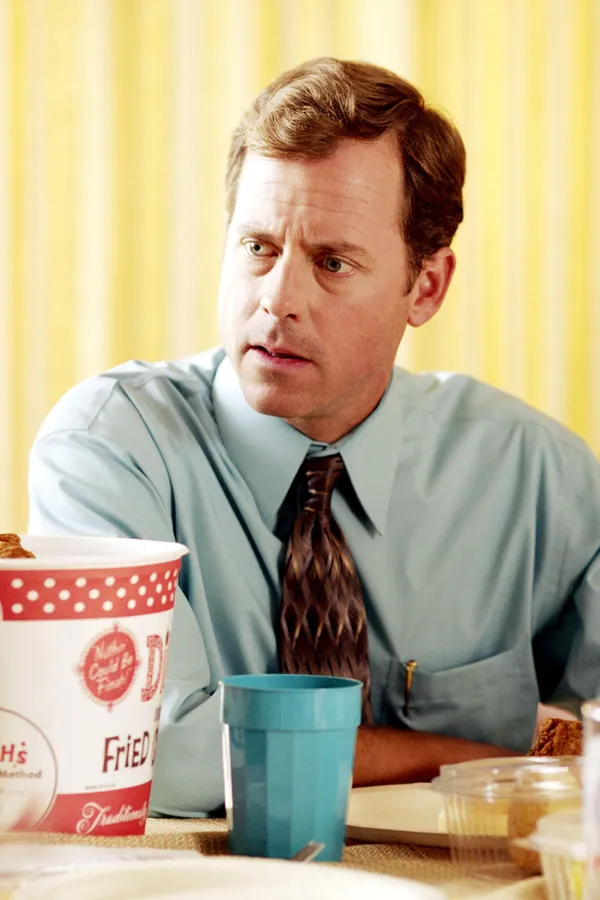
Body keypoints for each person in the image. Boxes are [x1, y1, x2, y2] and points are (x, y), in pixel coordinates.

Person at [29, 57, 599, 817]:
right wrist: (475, 761)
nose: (277, 299)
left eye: (332, 262)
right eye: (258, 247)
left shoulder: (534, 475)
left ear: (426, 286)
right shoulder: (111, 447)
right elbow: (139, 751)